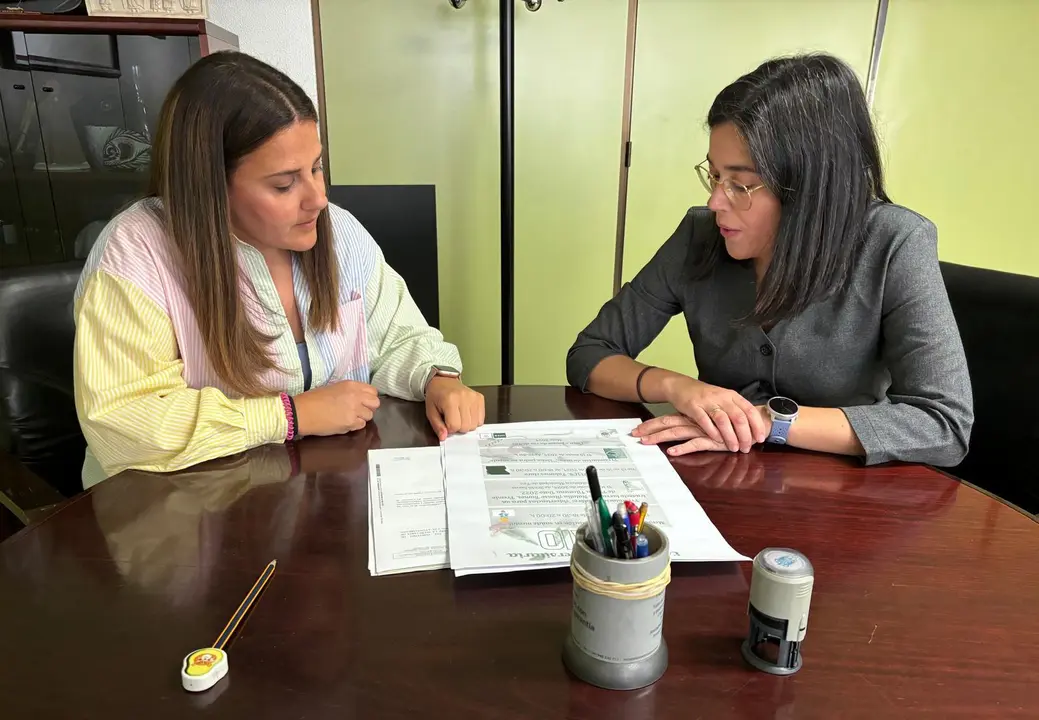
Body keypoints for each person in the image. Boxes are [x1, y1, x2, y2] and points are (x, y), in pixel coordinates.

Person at [74, 52, 484, 487]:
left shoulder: (338, 232)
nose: (317, 198)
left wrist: (437, 378)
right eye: (284, 184)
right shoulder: (136, 252)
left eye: (317, 167)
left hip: (308, 498)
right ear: (210, 185)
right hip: (178, 516)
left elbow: (398, 336)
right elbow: (122, 422)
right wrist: (290, 415)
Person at [567, 54, 972, 466]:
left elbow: (942, 425)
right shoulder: (700, 236)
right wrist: (677, 387)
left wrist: (766, 423)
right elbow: (590, 354)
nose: (715, 201)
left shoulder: (895, 242)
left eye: (740, 184)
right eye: (714, 175)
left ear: (813, 189)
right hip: (726, 479)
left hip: (843, 500)